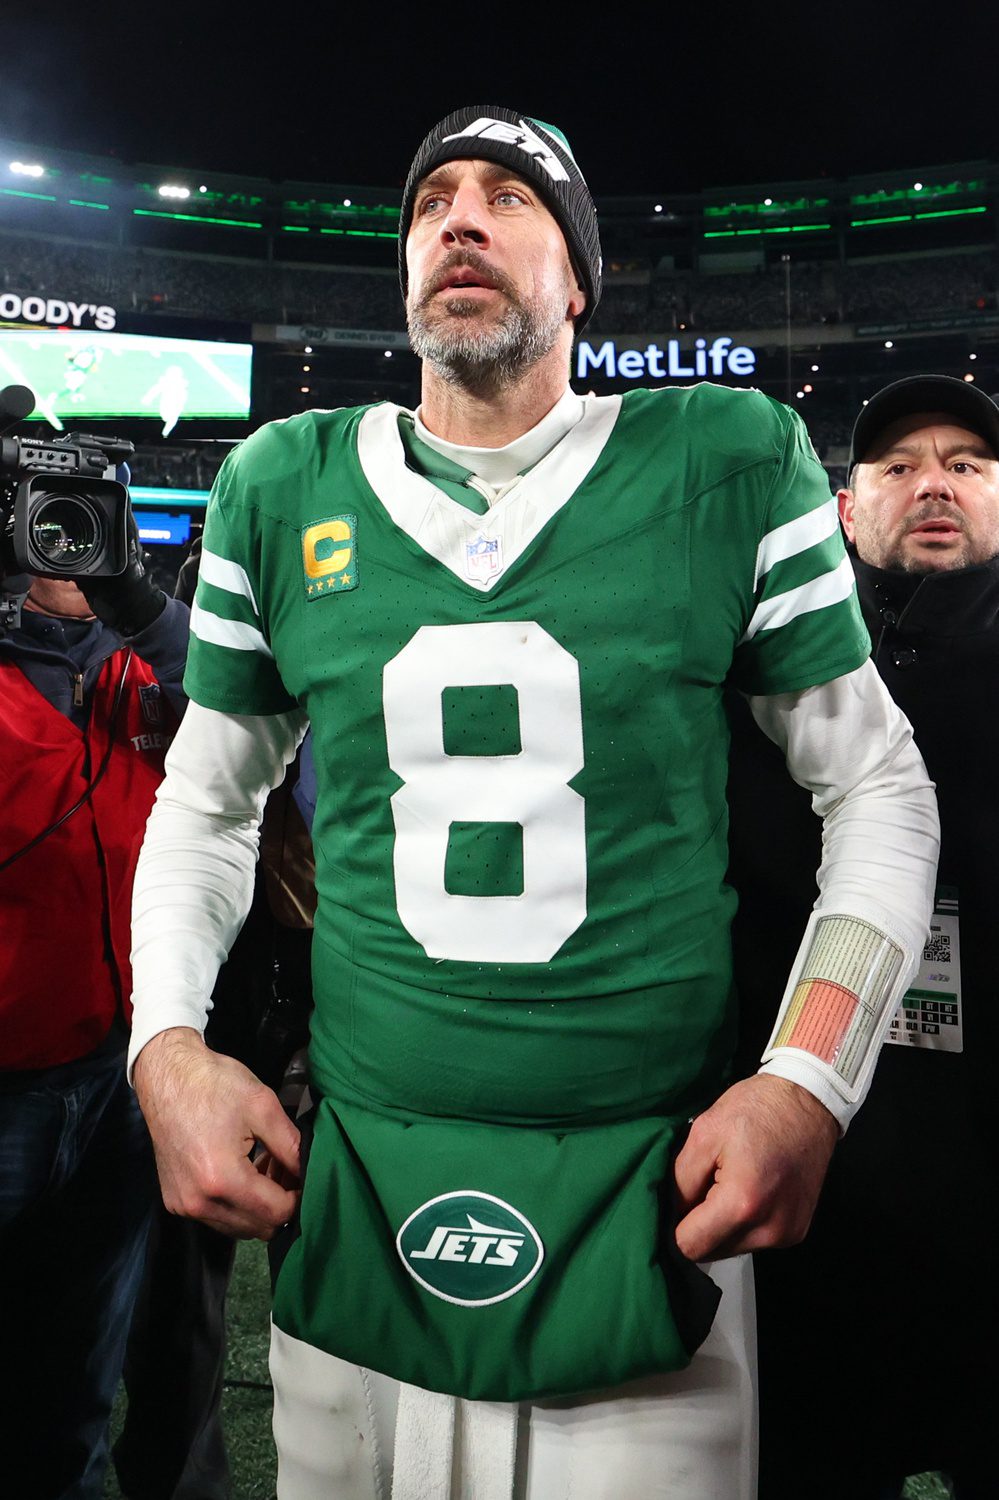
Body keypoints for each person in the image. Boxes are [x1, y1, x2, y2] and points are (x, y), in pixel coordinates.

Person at [127, 106, 939, 1500]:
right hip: (361, 1180)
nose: (458, 216)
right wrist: (165, 1051)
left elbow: (873, 784)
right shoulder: (279, 484)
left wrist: (807, 1083)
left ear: (579, 279)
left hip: (648, 1187)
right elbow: (207, 806)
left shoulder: (724, 460)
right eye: (432, 197)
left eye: (510, 196)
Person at [728, 374, 999, 1500]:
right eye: (898, 466)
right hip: (824, 1196)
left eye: (967, 464)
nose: (933, 482)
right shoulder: (769, 683)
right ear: (846, 508)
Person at [0, 532, 188, 1500]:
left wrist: (138, 598)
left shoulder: (138, 667)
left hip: (115, 1078)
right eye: (37, 518)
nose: (63, 542)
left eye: (85, 518)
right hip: (9, 1077)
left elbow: (256, 697)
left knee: (75, 1393)